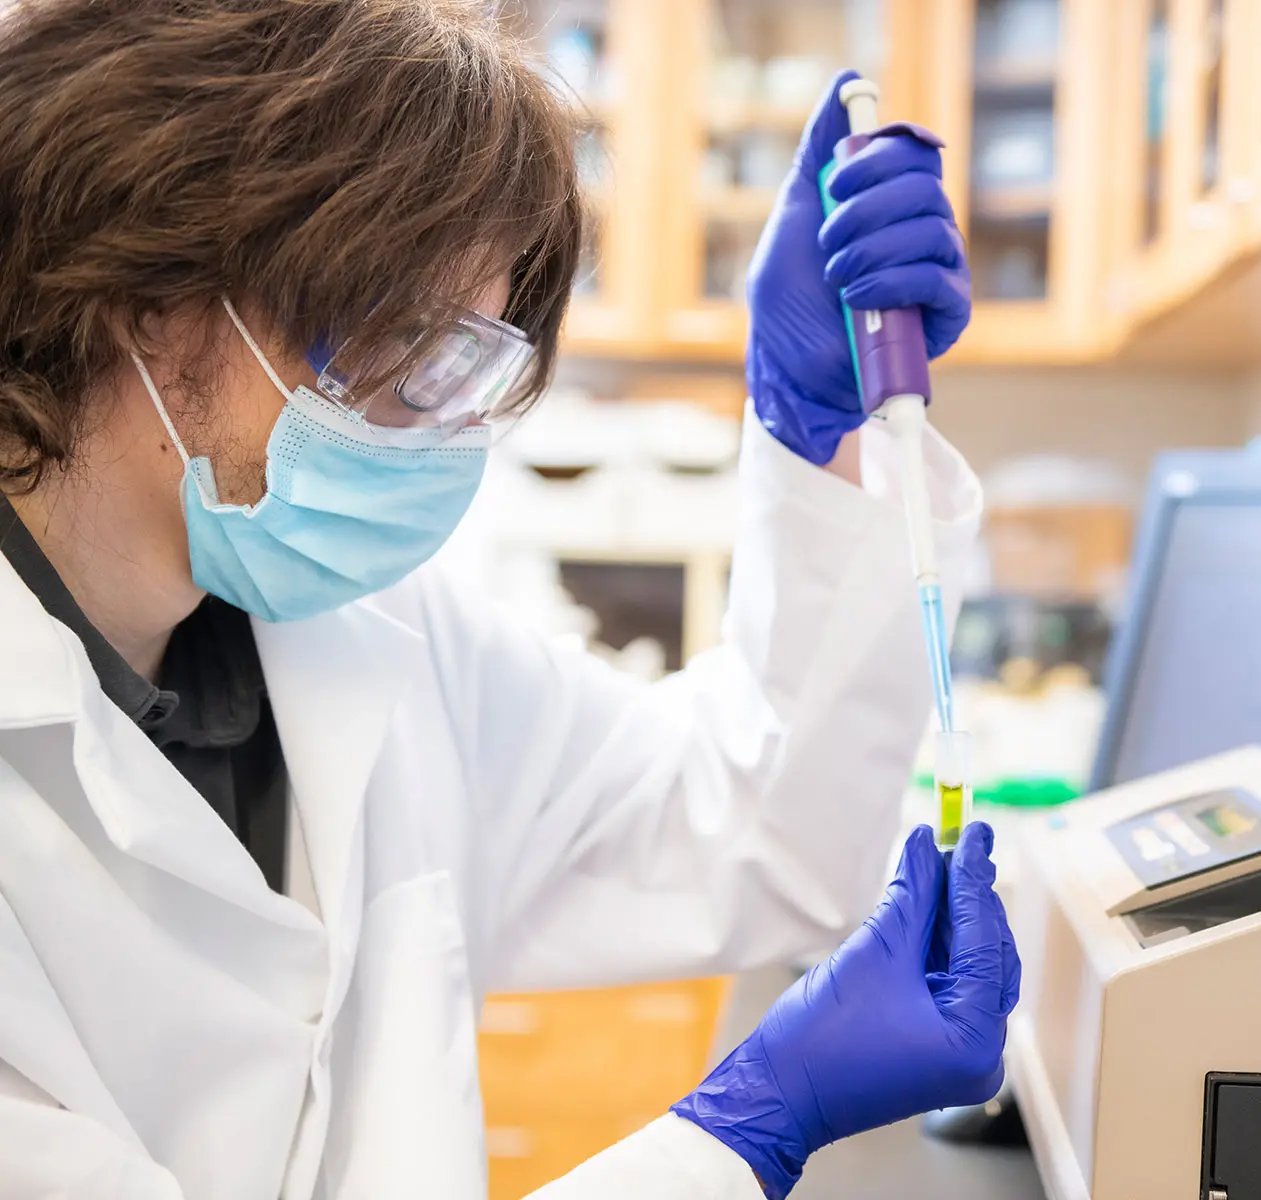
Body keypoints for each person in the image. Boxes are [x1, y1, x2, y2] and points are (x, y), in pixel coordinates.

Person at [0, 2, 1016, 1198]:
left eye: (473, 362)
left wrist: (819, 439)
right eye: (403, 342)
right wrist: (742, 1130)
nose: (444, 431)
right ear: (147, 299)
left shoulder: (362, 638)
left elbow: (744, 828)